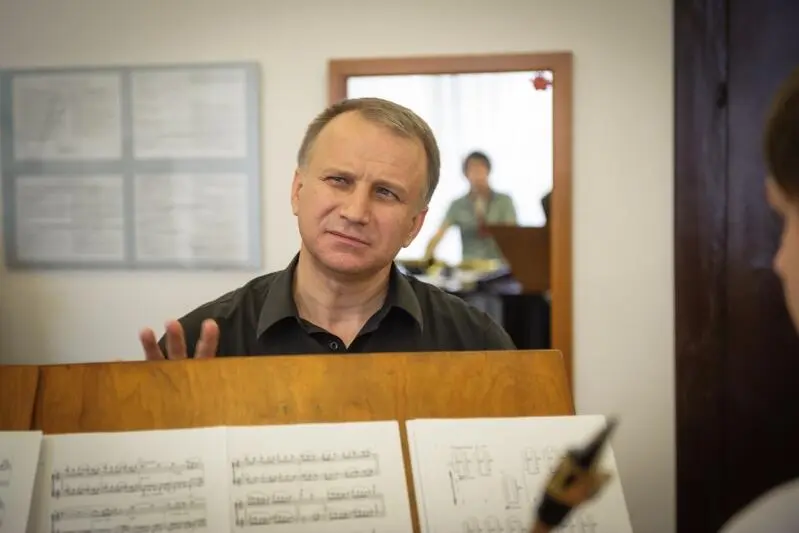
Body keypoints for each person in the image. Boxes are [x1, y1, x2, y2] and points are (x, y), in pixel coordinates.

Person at [139, 97, 516, 360]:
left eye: (385, 193)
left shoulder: (475, 344)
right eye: (338, 180)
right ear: (297, 191)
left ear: (414, 226)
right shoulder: (204, 345)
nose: (355, 212)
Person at [424, 151, 518, 263]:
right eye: (472, 169)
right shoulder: (457, 205)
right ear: (466, 174)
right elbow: (439, 234)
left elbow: (514, 236)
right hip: (470, 266)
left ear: (488, 170)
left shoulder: (504, 201)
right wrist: (426, 259)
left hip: (499, 266)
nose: (477, 174)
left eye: (480, 168)